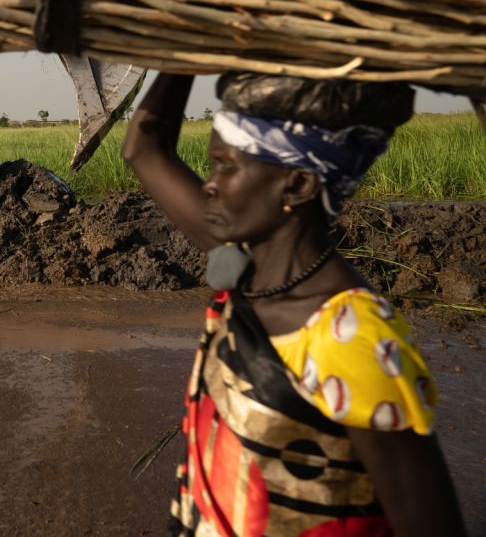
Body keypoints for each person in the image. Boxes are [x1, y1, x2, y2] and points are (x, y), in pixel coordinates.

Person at [121, 73, 466, 537]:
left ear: (298, 184)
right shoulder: (246, 269)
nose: (208, 184)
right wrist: (182, 56)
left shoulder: (352, 339)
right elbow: (144, 149)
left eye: (225, 166)